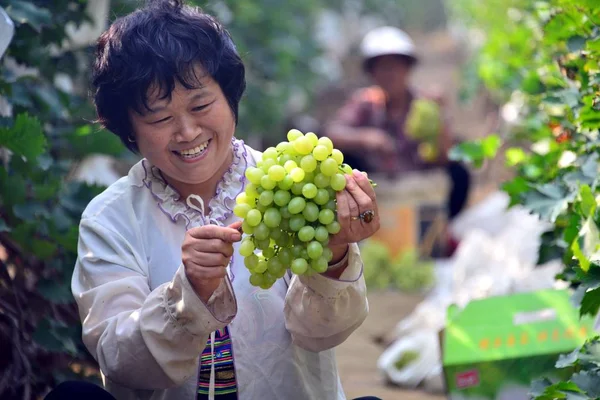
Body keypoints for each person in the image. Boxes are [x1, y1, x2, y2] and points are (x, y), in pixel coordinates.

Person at [46, 1, 382, 399]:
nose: (187, 132)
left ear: (230, 98)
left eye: (201, 105)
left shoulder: (286, 189)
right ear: (129, 130)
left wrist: (336, 254)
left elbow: (322, 334)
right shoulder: (110, 219)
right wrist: (189, 294)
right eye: (159, 119)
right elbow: (122, 360)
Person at [324, 26, 471, 237]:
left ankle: (440, 229)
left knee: (459, 172)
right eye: (383, 68)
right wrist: (366, 138)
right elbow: (332, 133)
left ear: (407, 69)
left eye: (395, 66)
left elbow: (443, 155)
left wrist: (440, 117)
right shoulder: (365, 102)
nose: (389, 74)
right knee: (341, 162)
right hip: (378, 188)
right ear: (372, 73)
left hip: (420, 189)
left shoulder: (425, 105)